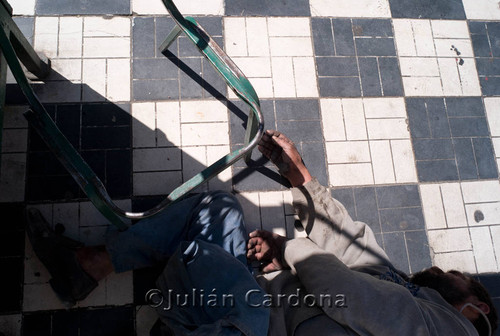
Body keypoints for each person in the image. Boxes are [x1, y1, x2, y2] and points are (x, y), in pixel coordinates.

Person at [26, 130, 497, 336]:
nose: (441, 269)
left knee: (211, 265)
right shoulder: (410, 295)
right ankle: (90, 267)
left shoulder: (447, 328)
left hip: (250, 323)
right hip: (249, 307)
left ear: (474, 306)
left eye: (456, 276)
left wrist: (290, 249)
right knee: (219, 210)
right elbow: (352, 246)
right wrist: (303, 180)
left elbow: (341, 286)